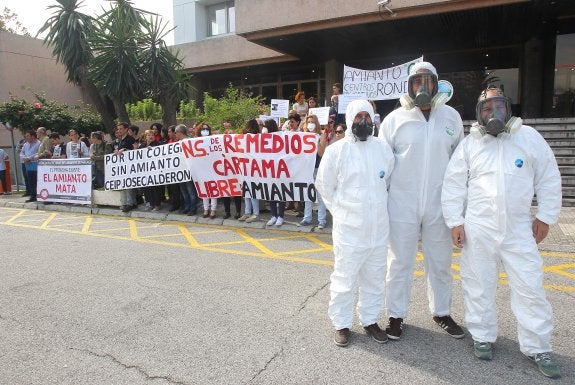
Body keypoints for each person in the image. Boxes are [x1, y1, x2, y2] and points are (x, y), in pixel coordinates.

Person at [441, 86, 562, 379]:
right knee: (478, 283)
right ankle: (482, 335)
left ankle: (538, 347)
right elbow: (454, 183)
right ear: (478, 114)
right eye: (486, 108)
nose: (492, 112)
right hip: (478, 227)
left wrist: (545, 216)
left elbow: (548, 176)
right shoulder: (470, 144)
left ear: (508, 108)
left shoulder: (528, 137)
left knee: (530, 287)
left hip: (519, 228)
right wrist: (455, 221)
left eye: (498, 105)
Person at [379, 61, 465, 340]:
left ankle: (441, 312)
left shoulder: (451, 117)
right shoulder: (394, 120)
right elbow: (382, 166)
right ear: (409, 86)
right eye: (417, 82)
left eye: (428, 81)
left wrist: (458, 210)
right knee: (399, 262)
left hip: (439, 205)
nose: (423, 87)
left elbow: (461, 165)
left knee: (440, 261)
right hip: (402, 203)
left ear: (437, 84)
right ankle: (395, 315)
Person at [315, 99, 395, 347]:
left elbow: (388, 181)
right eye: (359, 117)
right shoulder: (336, 150)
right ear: (350, 120)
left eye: (367, 117)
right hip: (349, 230)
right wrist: (341, 213)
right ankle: (341, 323)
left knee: (374, 278)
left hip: (378, 229)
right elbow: (324, 186)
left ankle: (370, 320)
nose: (363, 122)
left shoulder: (382, 148)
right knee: (344, 278)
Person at [113, 122, 137, 212]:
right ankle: (132, 202)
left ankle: (130, 203)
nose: (119, 131)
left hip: (129, 166)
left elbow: (135, 151)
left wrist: (126, 150)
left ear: (126, 129)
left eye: (121, 129)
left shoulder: (130, 139)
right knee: (126, 184)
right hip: (123, 167)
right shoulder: (120, 140)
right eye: (118, 129)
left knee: (129, 184)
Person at [19, 130, 40, 202]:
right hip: (27, 165)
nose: (26, 137)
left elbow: (38, 153)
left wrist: (28, 158)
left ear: (33, 136)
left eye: (28, 136)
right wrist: (24, 158)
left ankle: (39, 196)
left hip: (35, 164)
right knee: (30, 181)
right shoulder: (25, 144)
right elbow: (21, 153)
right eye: (26, 136)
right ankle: (33, 196)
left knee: (37, 181)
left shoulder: (38, 143)